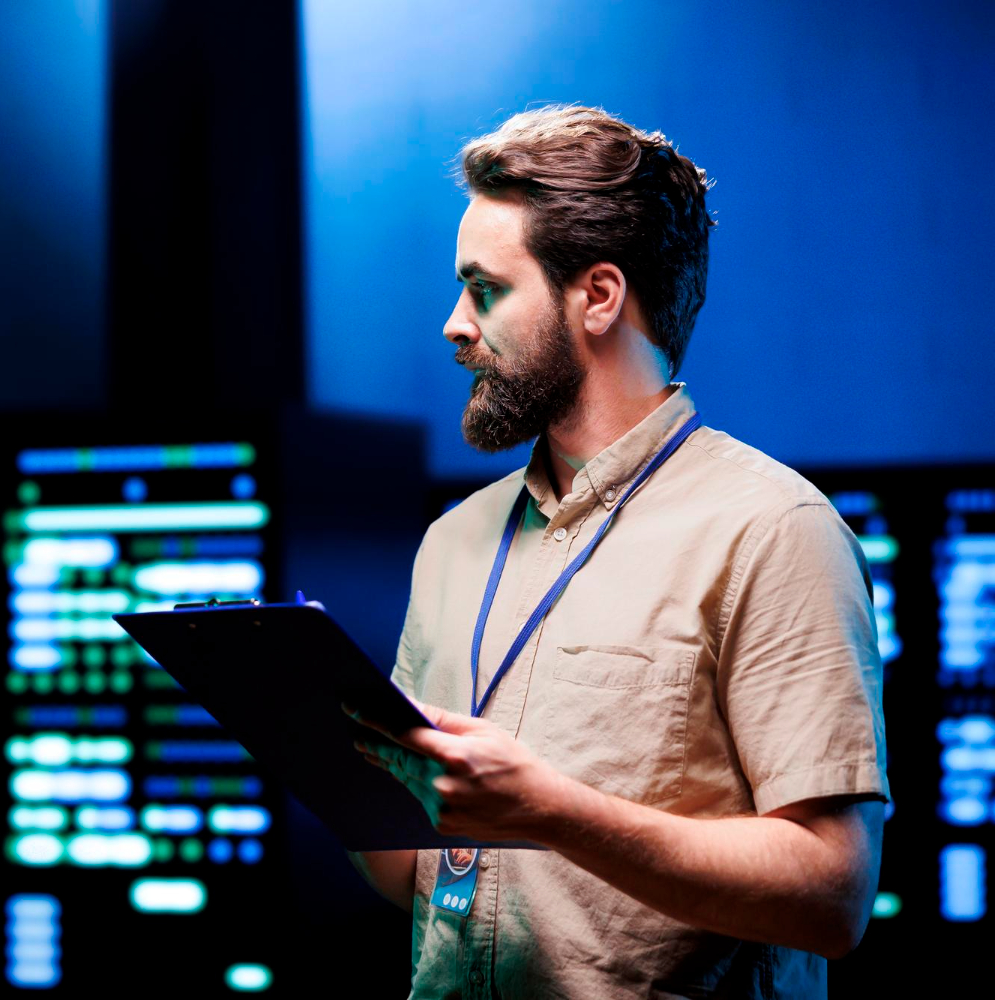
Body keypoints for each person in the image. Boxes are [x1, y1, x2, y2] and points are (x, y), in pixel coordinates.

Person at [342, 104, 890, 999]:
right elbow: (411, 872)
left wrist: (551, 812)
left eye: (484, 290)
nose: (453, 325)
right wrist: (320, 754)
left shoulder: (773, 530)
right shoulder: (454, 540)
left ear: (597, 296)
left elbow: (831, 899)